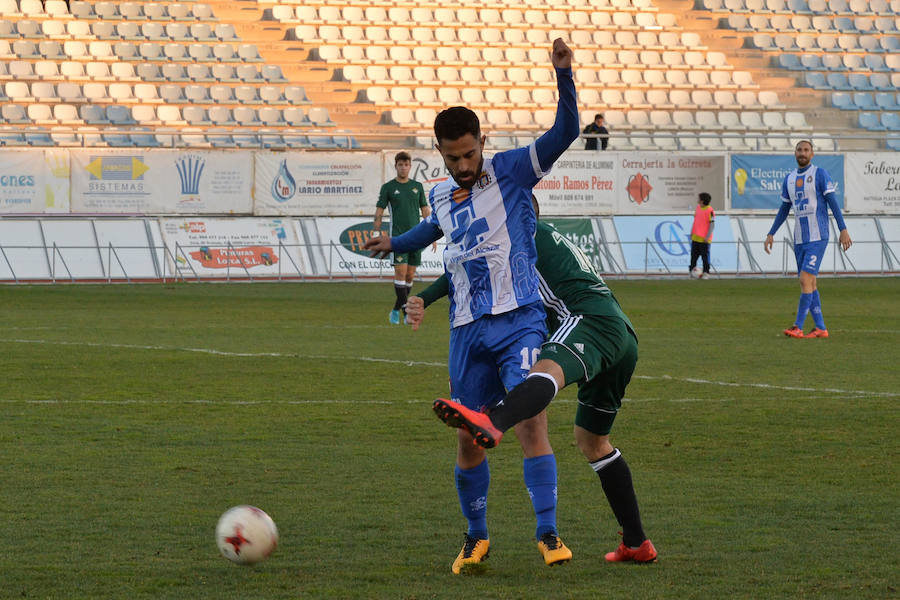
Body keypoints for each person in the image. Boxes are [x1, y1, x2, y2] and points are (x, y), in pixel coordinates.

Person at [364, 38, 580, 574]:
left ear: (483, 141)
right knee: (466, 433)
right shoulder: (438, 192)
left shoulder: (512, 169)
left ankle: (548, 532)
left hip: (519, 318)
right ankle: (476, 537)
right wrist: (394, 244)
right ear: (439, 152)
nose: (463, 165)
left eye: (469, 154)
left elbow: (565, 132)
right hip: (467, 330)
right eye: (452, 157)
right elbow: (430, 231)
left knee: (531, 421)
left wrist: (564, 75)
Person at [417, 197, 657, 564]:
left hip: (587, 322)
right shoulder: (543, 236)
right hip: (621, 335)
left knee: (544, 374)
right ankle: (637, 542)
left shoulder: (521, 239)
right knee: (593, 442)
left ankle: (494, 420)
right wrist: (427, 297)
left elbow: (470, 268)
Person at [764, 140, 852, 339]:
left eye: (806, 150)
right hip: (800, 239)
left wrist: (843, 229)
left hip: (818, 235)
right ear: (795, 153)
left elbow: (833, 203)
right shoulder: (789, 179)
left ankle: (798, 326)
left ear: (812, 154)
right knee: (810, 283)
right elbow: (784, 208)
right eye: (799, 150)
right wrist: (771, 233)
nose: (802, 153)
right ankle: (821, 328)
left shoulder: (820, 174)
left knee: (805, 279)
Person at [373, 151, 429, 324]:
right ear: (396, 166)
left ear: (410, 166)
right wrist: (377, 231)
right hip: (398, 239)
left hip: (417, 237)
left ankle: (396, 310)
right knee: (400, 273)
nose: (403, 168)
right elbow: (379, 211)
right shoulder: (388, 188)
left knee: (410, 277)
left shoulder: (417, 187)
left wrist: (432, 234)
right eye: (400, 164)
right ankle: (406, 313)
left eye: (406, 165)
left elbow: (425, 210)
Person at [689, 192, 715, 278]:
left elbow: (712, 225)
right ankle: (692, 272)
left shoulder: (710, 211)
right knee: (693, 257)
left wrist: (707, 237)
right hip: (695, 237)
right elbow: (695, 221)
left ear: (702, 201)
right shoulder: (697, 208)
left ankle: (706, 273)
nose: (697, 199)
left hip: (704, 239)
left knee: (705, 257)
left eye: (699, 198)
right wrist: (692, 232)